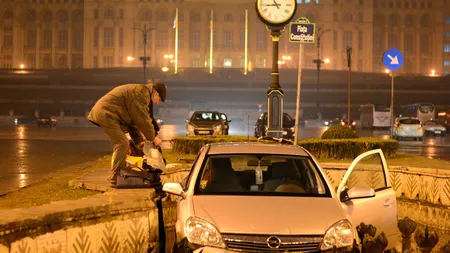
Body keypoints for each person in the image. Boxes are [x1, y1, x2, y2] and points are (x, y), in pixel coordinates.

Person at [87, 82, 167, 187]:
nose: (157, 103)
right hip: (106, 113)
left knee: (123, 144)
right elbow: (142, 119)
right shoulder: (140, 93)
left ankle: (122, 170)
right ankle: (116, 176)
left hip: (110, 114)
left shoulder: (141, 93)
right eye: (159, 99)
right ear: (155, 93)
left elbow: (132, 122)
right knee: (122, 143)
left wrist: (139, 141)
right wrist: (153, 137)